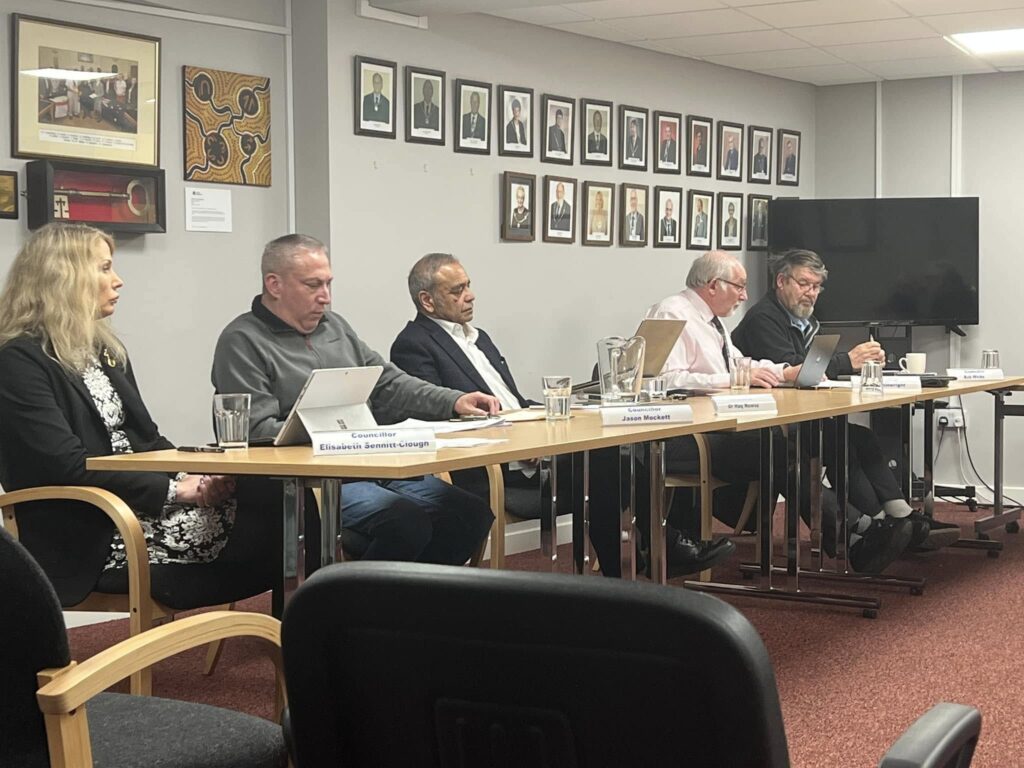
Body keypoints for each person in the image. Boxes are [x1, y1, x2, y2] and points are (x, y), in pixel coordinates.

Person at [0, 223, 279, 602]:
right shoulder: (18, 361)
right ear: (63, 278)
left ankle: (300, 641)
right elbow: (66, 466)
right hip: (93, 526)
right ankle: (303, 645)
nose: (118, 281)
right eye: (103, 268)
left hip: (141, 507)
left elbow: (147, 440)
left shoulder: (103, 351)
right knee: (282, 517)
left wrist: (196, 475)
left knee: (278, 497)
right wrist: (174, 490)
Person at [211, 234, 497, 565]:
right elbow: (256, 430)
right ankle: (357, 607)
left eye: (328, 284)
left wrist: (454, 400)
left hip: (364, 464)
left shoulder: (336, 327)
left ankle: (411, 603)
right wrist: (334, 430)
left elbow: (388, 382)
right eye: (313, 285)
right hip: (302, 482)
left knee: (471, 513)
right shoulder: (242, 341)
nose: (325, 297)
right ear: (275, 285)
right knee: (405, 521)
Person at [646, 252, 913, 573]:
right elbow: (662, 379)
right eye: (740, 287)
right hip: (684, 436)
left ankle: (859, 531)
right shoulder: (672, 313)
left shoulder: (713, 322)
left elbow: (740, 363)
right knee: (780, 447)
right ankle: (853, 532)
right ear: (713, 285)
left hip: (718, 425)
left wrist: (783, 372)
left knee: (794, 442)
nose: (745, 295)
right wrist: (735, 379)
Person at [732, 249, 960, 552]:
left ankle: (902, 519)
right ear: (781, 281)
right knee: (843, 443)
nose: (810, 293)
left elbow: (814, 372)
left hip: (795, 419)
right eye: (803, 284)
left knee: (860, 437)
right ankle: (883, 527)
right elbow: (795, 371)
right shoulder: (763, 319)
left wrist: (855, 364)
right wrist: (848, 361)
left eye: (816, 287)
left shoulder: (806, 321)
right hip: (766, 428)